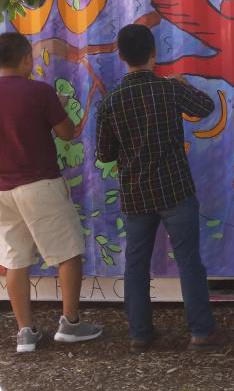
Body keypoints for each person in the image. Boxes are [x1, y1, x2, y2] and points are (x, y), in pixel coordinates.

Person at [95, 24, 218, 353]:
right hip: (175, 190)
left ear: (120, 56)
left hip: (135, 196)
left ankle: (140, 335)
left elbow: (104, 153)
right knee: (189, 261)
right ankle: (200, 333)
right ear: (154, 53)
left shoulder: (110, 102)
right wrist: (184, 84)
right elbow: (206, 108)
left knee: (135, 265)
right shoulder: (168, 89)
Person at [0, 32, 103, 352]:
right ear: (26, 59)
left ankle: (25, 332)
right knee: (68, 253)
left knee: (15, 259)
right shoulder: (39, 91)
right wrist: (56, 108)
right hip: (39, 184)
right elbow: (67, 133)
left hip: (1, 191)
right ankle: (70, 324)